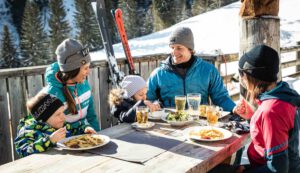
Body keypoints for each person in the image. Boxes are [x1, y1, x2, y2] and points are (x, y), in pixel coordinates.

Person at [235, 45, 300, 173]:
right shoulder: (283, 95)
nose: (240, 78)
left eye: (241, 73)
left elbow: (278, 169)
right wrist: (253, 117)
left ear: (251, 76)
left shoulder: (271, 111)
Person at [147, 26, 235, 112]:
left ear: (190, 49)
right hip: (169, 122)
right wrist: (154, 104)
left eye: (179, 48)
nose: (174, 52)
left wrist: (234, 108)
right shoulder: (158, 74)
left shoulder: (208, 71)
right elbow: (147, 99)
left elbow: (221, 97)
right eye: (172, 47)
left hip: (200, 123)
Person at [14, 92, 95, 157]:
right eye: (58, 114)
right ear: (43, 120)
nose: (63, 117)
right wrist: (49, 140)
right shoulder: (28, 131)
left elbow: (74, 131)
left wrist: (85, 129)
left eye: (63, 112)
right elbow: (23, 151)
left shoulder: (62, 125)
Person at [44, 38, 100, 131]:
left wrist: (98, 135)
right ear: (73, 70)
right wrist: (82, 130)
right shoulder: (53, 94)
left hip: (88, 138)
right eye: (85, 68)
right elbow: (52, 129)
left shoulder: (84, 84)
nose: (89, 72)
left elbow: (91, 117)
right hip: (67, 142)